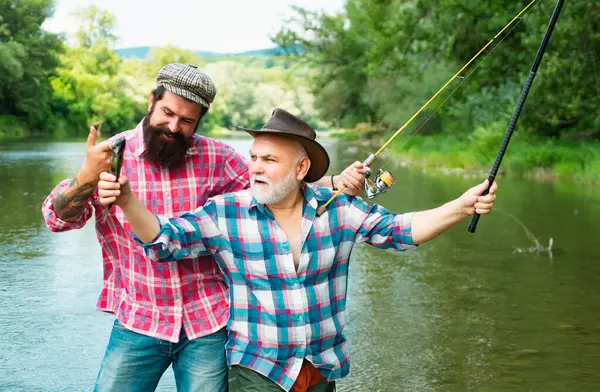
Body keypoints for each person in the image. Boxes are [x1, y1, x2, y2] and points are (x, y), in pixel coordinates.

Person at [96, 108, 498, 392]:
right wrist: (129, 201)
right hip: (257, 371)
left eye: (269, 160)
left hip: (323, 369)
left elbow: (400, 230)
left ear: (301, 169)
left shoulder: (339, 209)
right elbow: (163, 239)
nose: (254, 168)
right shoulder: (227, 213)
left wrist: (460, 206)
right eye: (254, 158)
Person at [41, 64, 365, 392]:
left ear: (199, 120)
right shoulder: (111, 156)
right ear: (151, 100)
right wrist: (86, 175)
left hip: (208, 321)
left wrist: (335, 182)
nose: (173, 125)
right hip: (139, 319)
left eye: (186, 121)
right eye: (167, 112)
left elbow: (276, 189)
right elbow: (57, 220)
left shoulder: (218, 157)